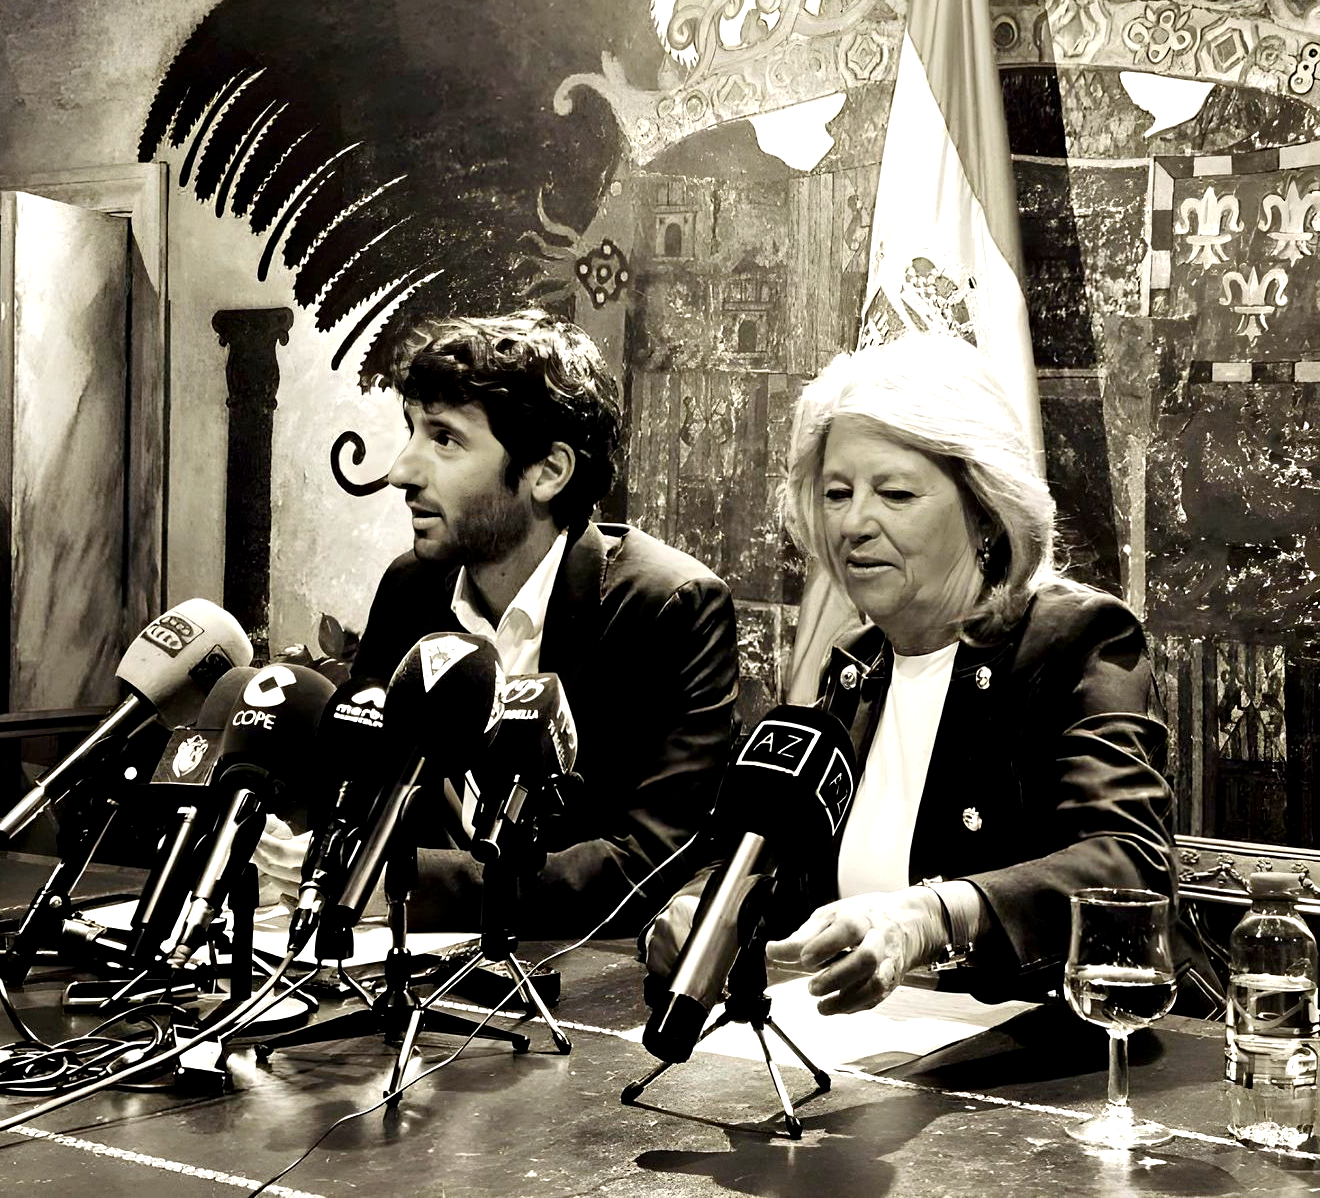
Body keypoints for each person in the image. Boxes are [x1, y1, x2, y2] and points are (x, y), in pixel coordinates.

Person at [644, 332, 1182, 1013]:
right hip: (864, 1056)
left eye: (895, 493)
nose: (854, 523)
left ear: (986, 513)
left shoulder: (1077, 639)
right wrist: (707, 910)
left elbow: (1128, 865)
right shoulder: (855, 664)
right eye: (837, 493)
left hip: (1052, 1050)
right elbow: (792, 873)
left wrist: (933, 916)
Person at [260, 309, 737, 936]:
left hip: (582, 984)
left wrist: (399, 884)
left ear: (548, 471)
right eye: (412, 431)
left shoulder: (670, 608)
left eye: (444, 439)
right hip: (399, 976)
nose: (402, 471)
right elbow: (362, 789)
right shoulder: (409, 589)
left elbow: (647, 864)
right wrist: (295, 852)